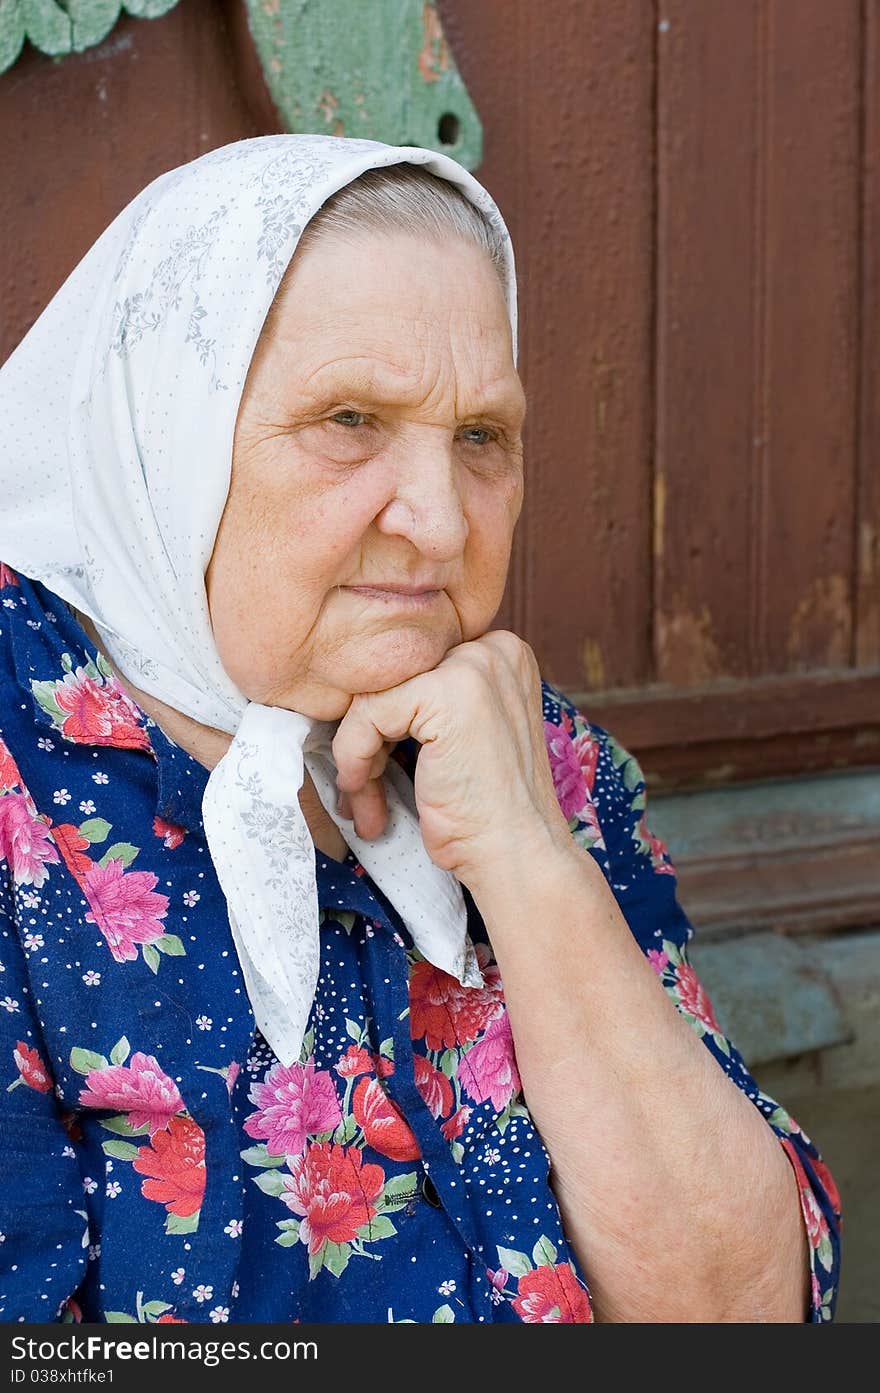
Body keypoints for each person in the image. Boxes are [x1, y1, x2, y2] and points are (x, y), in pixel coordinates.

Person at [0, 136, 840, 1325]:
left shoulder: (536, 754)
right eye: (350, 418)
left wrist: (532, 858)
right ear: (159, 433)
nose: (441, 522)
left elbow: (746, 1310)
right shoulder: (18, 774)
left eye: (483, 437)